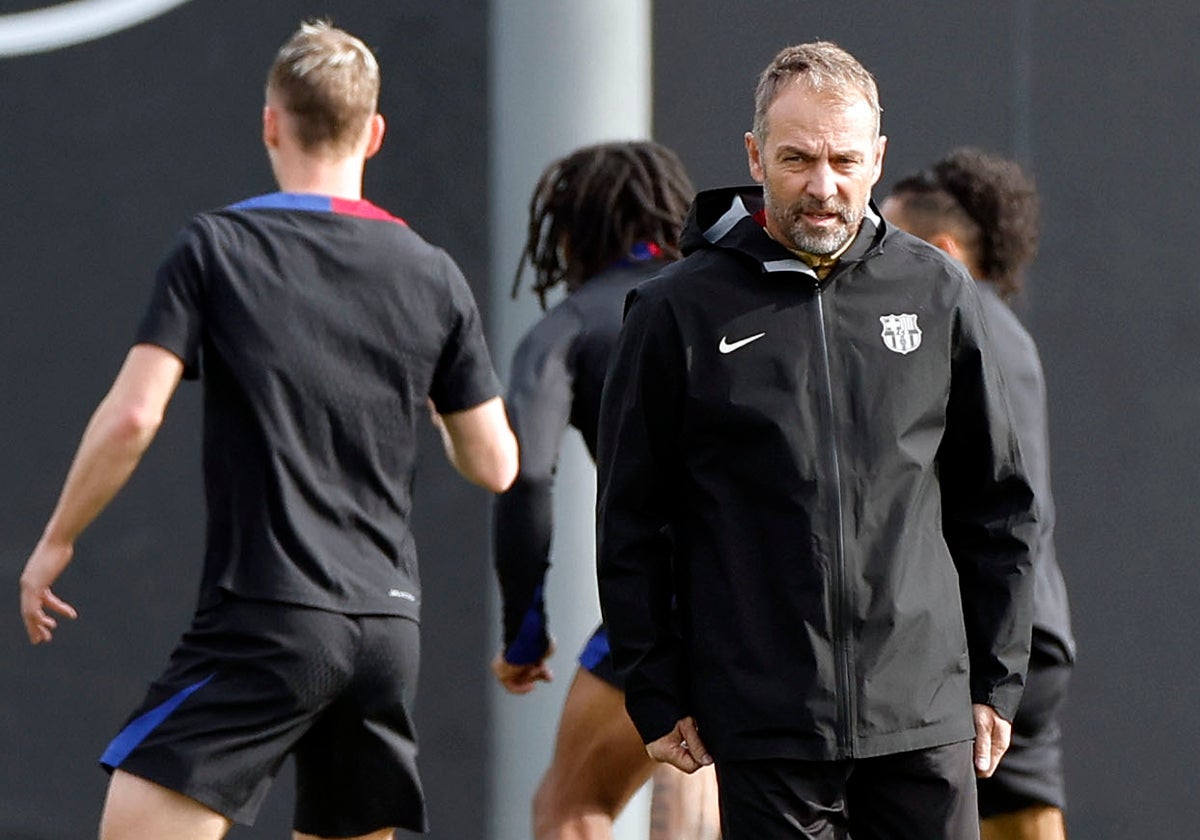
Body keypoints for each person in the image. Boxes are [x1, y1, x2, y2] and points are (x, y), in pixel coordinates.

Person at [18, 20, 517, 840]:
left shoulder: (217, 247)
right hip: (388, 635)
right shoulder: (433, 273)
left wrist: (58, 539)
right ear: (376, 133)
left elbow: (135, 413)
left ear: (270, 123)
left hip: (271, 619)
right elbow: (496, 463)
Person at [595, 41, 1038, 840]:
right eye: (798, 158)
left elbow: (997, 501)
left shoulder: (936, 291)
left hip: (922, 717)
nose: (823, 186)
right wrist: (654, 689)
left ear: (877, 159)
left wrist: (998, 681)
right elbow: (631, 518)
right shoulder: (675, 312)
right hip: (766, 723)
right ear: (755, 155)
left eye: (843, 159)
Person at [491, 140, 720, 840]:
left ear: (571, 231)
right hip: (787, 592)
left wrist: (524, 633)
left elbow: (525, 474)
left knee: (567, 809)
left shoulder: (567, 328)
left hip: (670, 602)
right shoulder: (736, 299)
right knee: (705, 776)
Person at [882, 149, 1076, 840]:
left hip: (993, 632)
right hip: (1026, 626)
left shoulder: (964, 324)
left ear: (941, 251)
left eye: (890, 238)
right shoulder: (1003, 329)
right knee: (1020, 820)